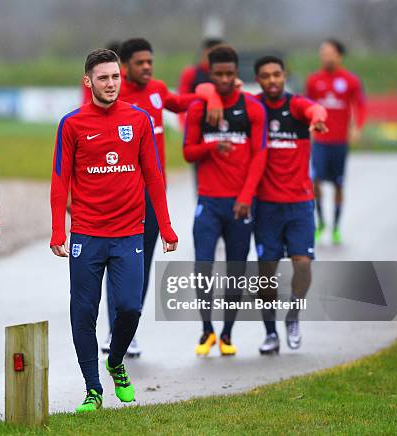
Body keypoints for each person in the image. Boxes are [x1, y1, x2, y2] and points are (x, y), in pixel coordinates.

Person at [50, 48, 178, 412]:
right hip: (87, 235)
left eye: (115, 77)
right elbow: (60, 181)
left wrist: (166, 226)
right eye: (103, 78)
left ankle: (116, 360)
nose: (111, 84)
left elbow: (153, 177)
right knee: (83, 311)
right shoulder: (72, 124)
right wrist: (59, 231)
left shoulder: (137, 120)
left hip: (128, 233)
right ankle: (93, 389)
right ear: (88, 81)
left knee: (129, 307)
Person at [100, 38, 222, 357]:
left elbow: (183, 103)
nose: (147, 67)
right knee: (118, 263)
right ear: (124, 67)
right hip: (121, 194)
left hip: (154, 195)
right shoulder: (113, 95)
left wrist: (208, 91)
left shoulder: (157, 89)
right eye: (140, 63)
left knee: (141, 264)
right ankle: (114, 330)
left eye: (149, 62)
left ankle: (128, 330)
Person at [183, 45, 267, 357]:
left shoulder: (253, 109)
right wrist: (212, 148)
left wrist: (246, 196)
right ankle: (207, 330)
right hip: (208, 202)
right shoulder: (198, 109)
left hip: (240, 204)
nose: (224, 79)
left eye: (229, 74)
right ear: (210, 74)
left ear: (236, 74)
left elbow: (260, 156)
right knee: (203, 266)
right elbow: (188, 152)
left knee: (236, 268)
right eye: (218, 74)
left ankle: (228, 333)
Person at [253, 55, 328, 354]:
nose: (272, 80)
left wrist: (319, 117)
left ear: (285, 76)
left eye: (277, 74)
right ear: (258, 80)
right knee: (266, 272)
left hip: (299, 204)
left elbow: (315, 107)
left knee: (303, 265)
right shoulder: (254, 107)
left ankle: (293, 316)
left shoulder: (296, 106)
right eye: (266, 76)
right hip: (266, 206)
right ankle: (270, 332)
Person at [306, 39, 366, 244]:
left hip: (340, 141)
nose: (325, 56)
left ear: (339, 55)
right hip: (320, 141)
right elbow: (307, 105)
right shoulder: (314, 80)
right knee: (315, 182)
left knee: (339, 185)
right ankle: (321, 221)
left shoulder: (350, 80)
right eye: (322, 53)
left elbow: (361, 105)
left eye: (329, 53)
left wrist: (357, 128)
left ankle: (336, 227)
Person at [177, 38, 224, 128]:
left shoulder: (226, 74)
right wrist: (184, 124)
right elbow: (181, 99)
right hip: (196, 122)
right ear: (205, 52)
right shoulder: (191, 73)